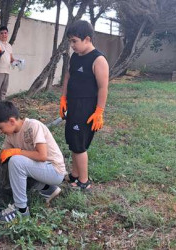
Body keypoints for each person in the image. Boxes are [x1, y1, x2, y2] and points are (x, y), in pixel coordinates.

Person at [0, 101, 66, 222]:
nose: (1, 131)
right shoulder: (11, 135)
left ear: (11, 121)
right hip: (42, 170)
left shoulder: (33, 126)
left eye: (1, 127)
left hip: (54, 171)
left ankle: (21, 210)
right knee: (10, 159)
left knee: (16, 161)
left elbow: (42, 156)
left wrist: (16, 152)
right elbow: (1, 155)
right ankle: (48, 189)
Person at [59, 20, 109, 191]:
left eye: (74, 41)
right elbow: (68, 76)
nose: (71, 45)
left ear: (87, 39)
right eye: (70, 41)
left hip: (86, 108)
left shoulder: (98, 59)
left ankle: (84, 181)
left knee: (79, 144)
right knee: (73, 141)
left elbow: (103, 88)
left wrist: (99, 111)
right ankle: (74, 174)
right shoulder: (75, 56)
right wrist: (63, 98)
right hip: (73, 105)